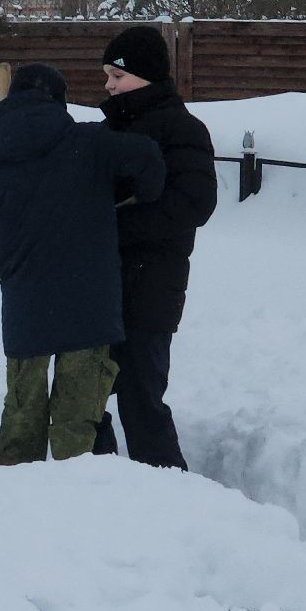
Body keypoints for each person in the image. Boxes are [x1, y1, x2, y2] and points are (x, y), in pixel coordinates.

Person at [0, 63, 165, 466]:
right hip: (90, 303)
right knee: (76, 420)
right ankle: (74, 495)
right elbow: (148, 156)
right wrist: (143, 196)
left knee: (22, 412)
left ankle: (12, 487)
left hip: (28, 306)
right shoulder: (91, 142)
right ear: (59, 101)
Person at [91, 26, 218, 471]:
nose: (108, 85)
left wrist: (116, 226)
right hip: (101, 284)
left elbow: (195, 203)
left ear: (143, 76)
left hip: (152, 284)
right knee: (86, 393)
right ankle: (95, 481)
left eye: (117, 76)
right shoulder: (108, 130)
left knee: (141, 395)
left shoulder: (182, 129)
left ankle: (166, 486)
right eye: (107, 76)